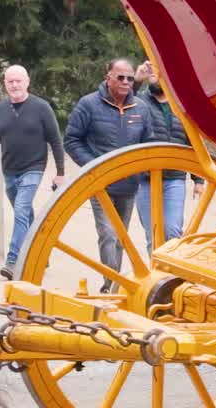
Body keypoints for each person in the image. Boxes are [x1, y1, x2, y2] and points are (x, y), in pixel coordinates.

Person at [64, 58, 155, 291]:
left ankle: (112, 283)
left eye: (130, 78)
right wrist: (95, 166)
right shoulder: (88, 104)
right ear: (108, 78)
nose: (125, 82)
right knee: (108, 234)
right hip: (100, 184)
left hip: (128, 186)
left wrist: (141, 167)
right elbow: (72, 140)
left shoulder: (141, 109)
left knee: (121, 239)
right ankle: (112, 286)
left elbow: (148, 143)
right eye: (120, 77)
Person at [0, 65, 65, 280]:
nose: (14, 85)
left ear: (27, 82)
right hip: (10, 171)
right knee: (25, 215)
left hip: (33, 167)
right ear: (5, 84)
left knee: (22, 210)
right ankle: (41, 252)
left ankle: (13, 261)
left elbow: (55, 141)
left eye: (18, 81)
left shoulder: (41, 108)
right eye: (10, 81)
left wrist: (60, 172)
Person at [133, 60, 205, 250]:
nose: (154, 76)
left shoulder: (181, 106)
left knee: (173, 232)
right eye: (151, 73)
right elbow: (121, 106)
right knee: (153, 235)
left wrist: (198, 180)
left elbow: (192, 141)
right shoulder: (139, 102)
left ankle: (172, 277)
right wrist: (136, 80)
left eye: (159, 72)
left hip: (174, 179)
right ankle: (157, 278)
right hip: (145, 179)